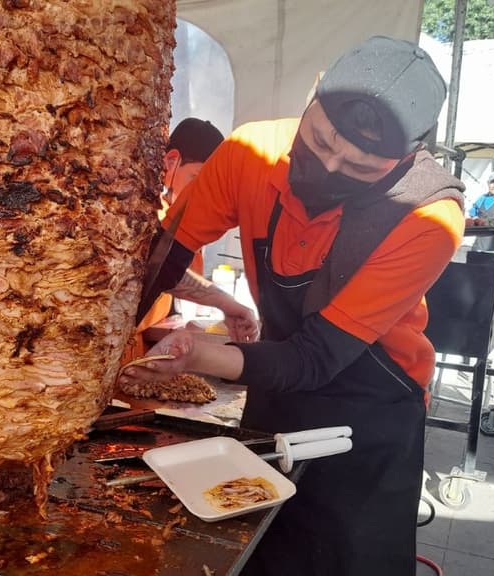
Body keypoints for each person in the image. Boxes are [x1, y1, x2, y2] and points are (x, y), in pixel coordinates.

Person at [121, 36, 465, 575]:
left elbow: (316, 358)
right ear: (312, 94)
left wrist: (199, 357)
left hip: (368, 412)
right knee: (255, 549)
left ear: (406, 157)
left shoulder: (427, 218)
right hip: (277, 388)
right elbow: (161, 259)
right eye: (321, 140)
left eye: (359, 166)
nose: (327, 166)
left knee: (346, 559)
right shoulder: (251, 154)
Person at [120, 118, 257, 364]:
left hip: (139, 351)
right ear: (171, 162)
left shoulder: (189, 223)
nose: (202, 194)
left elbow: (174, 277)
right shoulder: (147, 218)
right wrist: (226, 302)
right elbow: (156, 267)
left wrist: (227, 304)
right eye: (197, 179)